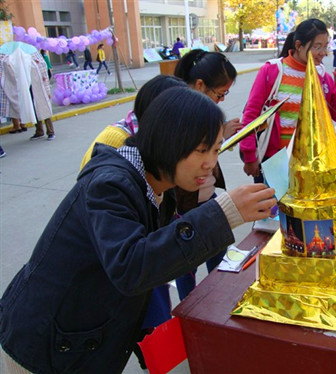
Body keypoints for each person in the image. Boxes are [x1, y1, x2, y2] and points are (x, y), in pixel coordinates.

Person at [0, 86, 277, 374]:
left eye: (217, 149)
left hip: (83, 342)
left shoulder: (161, 186)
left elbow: (158, 256)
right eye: (201, 150)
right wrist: (223, 212)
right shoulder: (110, 184)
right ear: (168, 141)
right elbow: (131, 266)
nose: (210, 163)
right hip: (46, 346)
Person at [79, 74, 188, 370]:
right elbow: (91, 193)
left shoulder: (159, 159)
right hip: (121, 245)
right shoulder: (117, 149)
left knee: (155, 310)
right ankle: (152, 353)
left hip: (142, 246)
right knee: (145, 315)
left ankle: (157, 356)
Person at [240, 18, 336, 182]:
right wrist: (250, 156)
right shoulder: (273, 71)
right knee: (273, 207)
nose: (323, 52)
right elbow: (251, 115)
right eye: (317, 46)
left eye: (325, 46)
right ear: (298, 45)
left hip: (311, 163)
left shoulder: (323, 77)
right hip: (275, 161)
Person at [173, 49, 242, 301]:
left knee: (218, 252)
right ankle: (188, 310)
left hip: (208, 196)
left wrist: (223, 134)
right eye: (219, 93)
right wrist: (220, 135)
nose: (221, 100)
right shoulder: (179, 110)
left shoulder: (203, 109)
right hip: (186, 204)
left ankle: (218, 303)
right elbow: (187, 157)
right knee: (186, 263)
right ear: (200, 85)